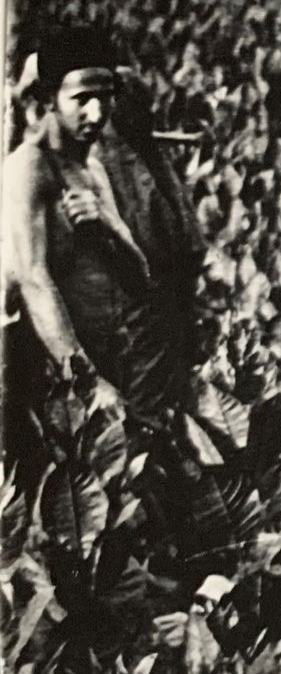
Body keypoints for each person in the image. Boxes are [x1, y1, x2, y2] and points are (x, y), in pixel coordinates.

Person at [2, 28, 206, 424]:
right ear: (48, 100)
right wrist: (89, 380)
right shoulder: (29, 169)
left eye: (105, 97)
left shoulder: (93, 169)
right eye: (81, 99)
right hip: (33, 363)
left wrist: (110, 225)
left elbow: (138, 278)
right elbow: (34, 282)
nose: (96, 114)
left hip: (99, 357)